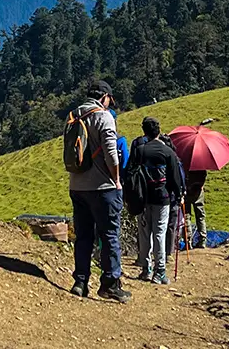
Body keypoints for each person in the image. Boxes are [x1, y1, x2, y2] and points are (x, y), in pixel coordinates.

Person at [67, 80, 131, 302]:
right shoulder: (104, 117)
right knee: (110, 235)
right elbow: (112, 154)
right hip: (102, 187)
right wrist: (116, 180)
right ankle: (110, 284)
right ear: (105, 97)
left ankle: (80, 282)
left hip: (76, 185)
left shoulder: (73, 115)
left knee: (83, 236)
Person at [130, 117, 183, 285]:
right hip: (163, 198)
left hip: (142, 198)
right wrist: (179, 195)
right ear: (159, 131)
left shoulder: (140, 150)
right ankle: (160, 272)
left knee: (145, 234)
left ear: (144, 132)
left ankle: (146, 269)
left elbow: (130, 174)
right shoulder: (168, 152)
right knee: (159, 233)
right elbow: (175, 178)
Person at [159, 133, 186, 266]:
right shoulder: (176, 159)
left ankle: (162, 252)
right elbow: (181, 177)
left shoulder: (161, 158)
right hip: (173, 197)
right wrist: (181, 192)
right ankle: (168, 253)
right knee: (171, 225)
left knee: (161, 226)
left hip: (163, 196)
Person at [184, 166, 208, 249]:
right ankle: (202, 240)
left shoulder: (183, 161)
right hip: (198, 191)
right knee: (200, 216)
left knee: (186, 216)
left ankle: (188, 242)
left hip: (186, 190)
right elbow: (204, 175)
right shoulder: (201, 162)